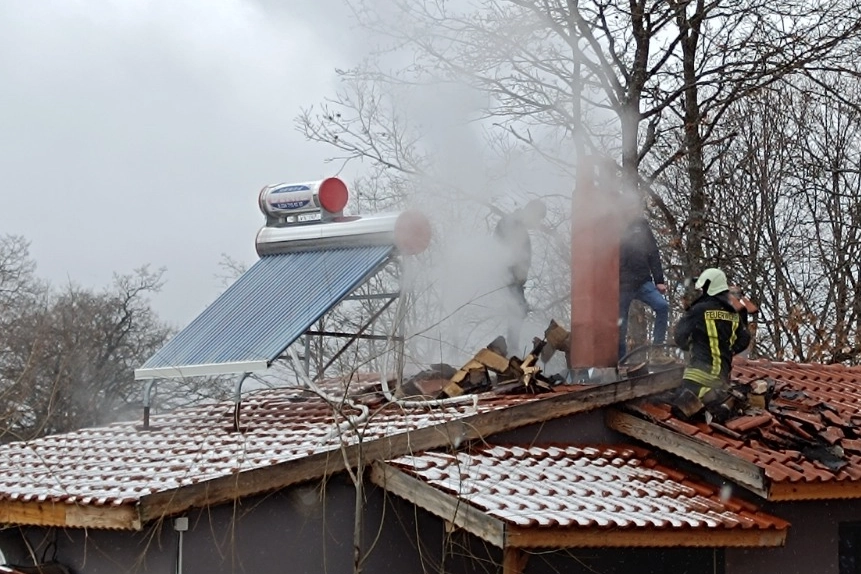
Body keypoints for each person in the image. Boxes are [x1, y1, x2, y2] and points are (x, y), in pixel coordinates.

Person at [673, 267, 751, 401]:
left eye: (703, 288)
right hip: (721, 379)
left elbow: (679, 337)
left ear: (709, 287)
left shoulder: (698, 310)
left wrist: (694, 344)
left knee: (672, 404)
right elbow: (744, 339)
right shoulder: (734, 315)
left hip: (697, 377)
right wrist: (727, 349)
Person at [494, 199, 547, 353]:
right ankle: (512, 350)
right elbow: (505, 253)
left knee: (519, 310)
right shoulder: (512, 224)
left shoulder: (516, 225)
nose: (536, 223)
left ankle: (512, 348)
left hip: (513, 278)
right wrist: (513, 276)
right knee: (517, 310)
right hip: (508, 277)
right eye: (537, 218)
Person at [618, 216, 668, 360]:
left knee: (662, 306)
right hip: (622, 285)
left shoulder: (642, 226)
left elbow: (653, 253)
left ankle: (657, 351)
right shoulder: (612, 225)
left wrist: (659, 280)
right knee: (620, 324)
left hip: (642, 281)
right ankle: (620, 361)